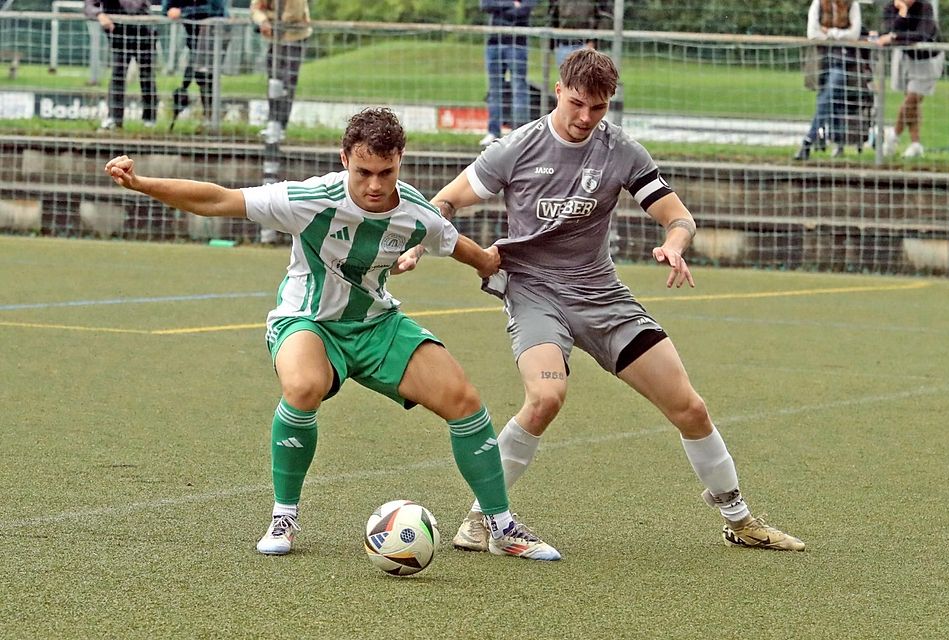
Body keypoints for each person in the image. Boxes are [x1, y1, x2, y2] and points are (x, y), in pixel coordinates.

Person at [102, 108, 560, 561]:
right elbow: (219, 199)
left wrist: (490, 264)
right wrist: (143, 184)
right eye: (364, 172)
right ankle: (284, 515)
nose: (375, 185)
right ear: (345, 159)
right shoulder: (310, 198)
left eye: (386, 171)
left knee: (464, 400)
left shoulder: (416, 212)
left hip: (377, 325)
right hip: (308, 322)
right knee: (303, 386)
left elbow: (452, 242)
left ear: (400, 159)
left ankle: (499, 525)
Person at [401, 49, 806, 556]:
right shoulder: (516, 148)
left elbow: (679, 218)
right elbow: (446, 201)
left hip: (602, 295)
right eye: (577, 104)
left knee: (690, 407)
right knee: (546, 397)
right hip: (534, 293)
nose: (585, 118)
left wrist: (674, 246)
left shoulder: (622, 152)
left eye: (599, 108)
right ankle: (482, 519)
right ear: (558, 91)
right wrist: (417, 242)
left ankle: (738, 518)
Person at [794, 0, 862, 161]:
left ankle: (808, 141)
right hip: (822, 60)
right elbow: (813, 33)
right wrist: (839, 34)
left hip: (843, 61)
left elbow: (854, 35)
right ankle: (838, 144)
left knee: (827, 98)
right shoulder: (818, 4)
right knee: (830, 100)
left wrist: (830, 33)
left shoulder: (852, 5)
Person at [875, 0, 943, 158]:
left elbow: (923, 35)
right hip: (905, 57)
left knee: (913, 99)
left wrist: (895, 37)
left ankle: (893, 135)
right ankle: (915, 144)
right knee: (911, 103)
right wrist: (903, 13)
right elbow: (888, 29)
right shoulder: (891, 8)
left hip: (927, 59)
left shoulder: (925, 7)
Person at [84, 0, 158, 130]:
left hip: (144, 30)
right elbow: (89, 5)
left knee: (147, 76)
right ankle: (114, 118)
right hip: (119, 33)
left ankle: (150, 119)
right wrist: (100, 14)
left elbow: (135, 7)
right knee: (118, 75)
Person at [250, 0, 311, 140]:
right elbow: (255, 8)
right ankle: (273, 123)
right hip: (275, 39)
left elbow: (292, 16)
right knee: (274, 79)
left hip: (295, 36)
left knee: (288, 81)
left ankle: (281, 125)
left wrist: (270, 18)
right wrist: (264, 20)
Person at [479, 0, 537, 148]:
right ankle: (493, 132)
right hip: (494, 43)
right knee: (494, 90)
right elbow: (485, 5)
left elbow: (526, 9)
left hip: (517, 43)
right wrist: (511, 4)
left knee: (519, 88)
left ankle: (519, 132)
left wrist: (500, 6)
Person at [162, 0, 228, 126]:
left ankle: (210, 118)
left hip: (216, 32)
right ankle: (207, 116)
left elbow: (216, 9)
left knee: (205, 75)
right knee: (195, 75)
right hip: (194, 36)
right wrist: (171, 11)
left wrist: (183, 12)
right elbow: (166, 9)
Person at [548, 0, 612, 67]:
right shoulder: (560, 2)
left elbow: (604, 18)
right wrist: (554, 44)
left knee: (586, 74)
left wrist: (593, 41)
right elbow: (553, 19)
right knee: (565, 75)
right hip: (564, 44)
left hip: (586, 44)